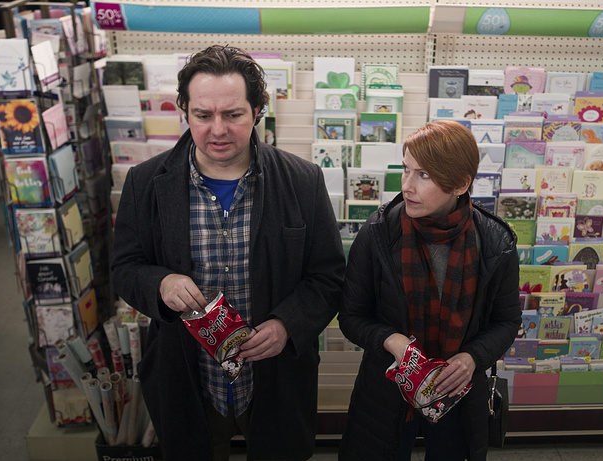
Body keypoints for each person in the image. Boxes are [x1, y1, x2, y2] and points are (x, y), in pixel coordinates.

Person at [110, 45, 345, 461]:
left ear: (257, 111)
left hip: (275, 378)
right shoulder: (145, 183)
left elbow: (329, 277)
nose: (217, 129)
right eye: (203, 115)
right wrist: (160, 283)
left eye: (233, 114)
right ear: (184, 111)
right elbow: (125, 267)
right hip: (188, 377)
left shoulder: (303, 181)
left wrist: (288, 325)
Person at [337, 120, 521, 460]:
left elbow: (507, 321)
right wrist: (391, 340)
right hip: (387, 393)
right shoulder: (378, 233)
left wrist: (472, 357)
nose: (407, 186)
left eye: (423, 175)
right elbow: (351, 315)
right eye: (406, 169)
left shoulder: (496, 242)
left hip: (458, 391)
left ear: (460, 183)